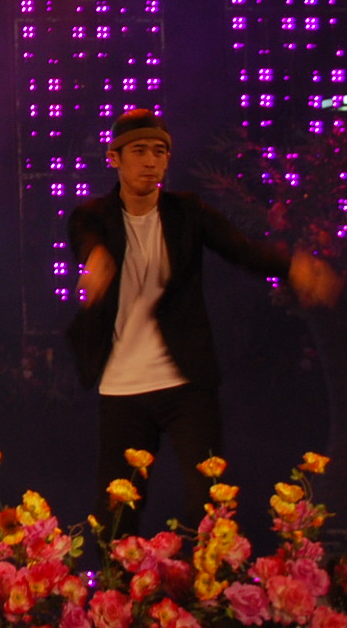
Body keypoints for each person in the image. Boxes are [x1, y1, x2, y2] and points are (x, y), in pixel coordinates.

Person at [67, 109, 337, 533]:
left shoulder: (187, 213)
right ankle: (116, 577)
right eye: (139, 151)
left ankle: (211, 575)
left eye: (160, 152)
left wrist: (292, 267)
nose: (151, 161)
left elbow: (241, 248)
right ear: (114, 158)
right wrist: (95, 259)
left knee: (210, 502)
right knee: (116, 512)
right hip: (122, 387)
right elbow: (87, 240)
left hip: (186, 382)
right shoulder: (93, 216)